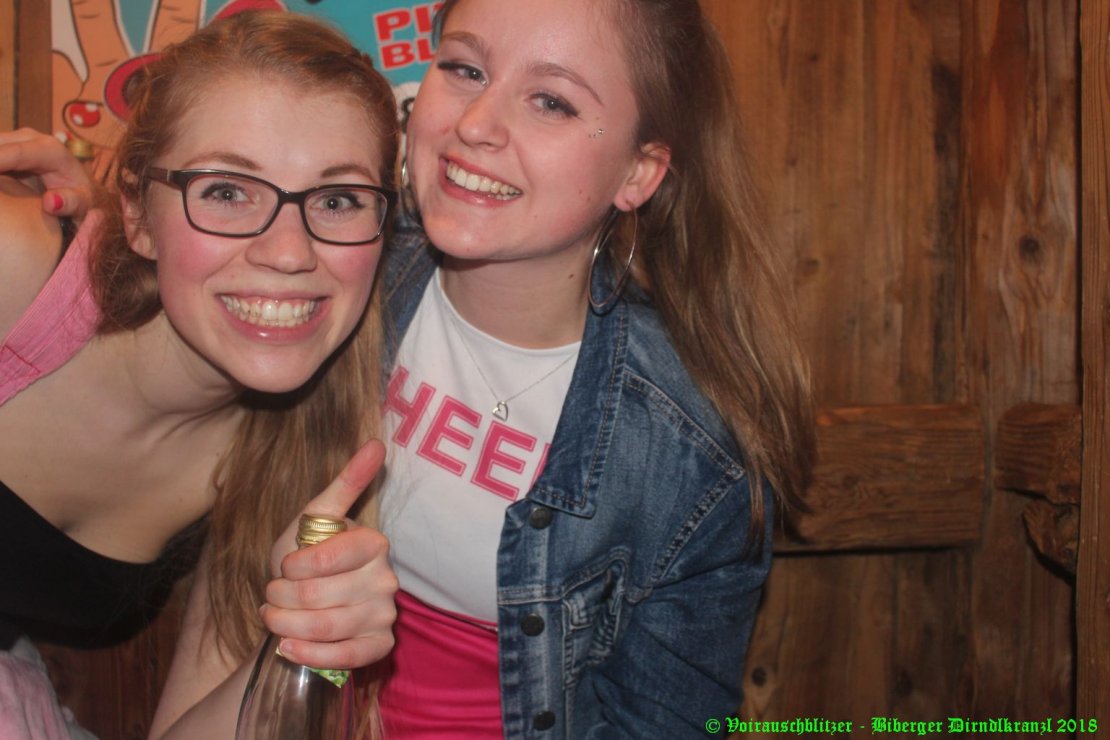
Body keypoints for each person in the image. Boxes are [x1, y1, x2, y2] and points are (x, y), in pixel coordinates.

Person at [7, 1, 817, 736]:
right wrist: (111, 211)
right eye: (464, 68)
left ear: (639, 172)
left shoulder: (685, 452)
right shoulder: (336, 301)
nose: (478, 124)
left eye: (552, 101)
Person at [0, 10, 400, 739]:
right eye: (226, 191)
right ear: (136, 212)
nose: (289, 252)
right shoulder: (14, 265)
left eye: (337, 201)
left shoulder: (289, 455)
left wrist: (302, 639)